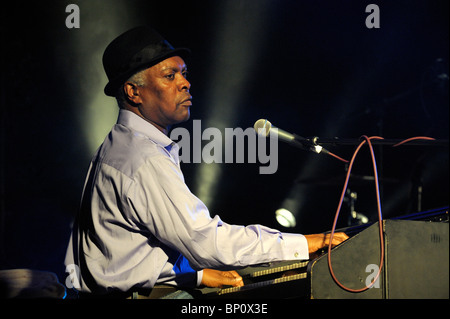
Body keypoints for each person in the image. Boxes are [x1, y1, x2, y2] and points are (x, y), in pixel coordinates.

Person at [64, 26, 348, 299]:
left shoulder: (118, 145)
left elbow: (125, 254)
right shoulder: (142, 158)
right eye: (169, 76)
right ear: (133, 92)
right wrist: (304, 244)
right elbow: (206, 242)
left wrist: (195, 276)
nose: (185, 83)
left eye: (184, 73)